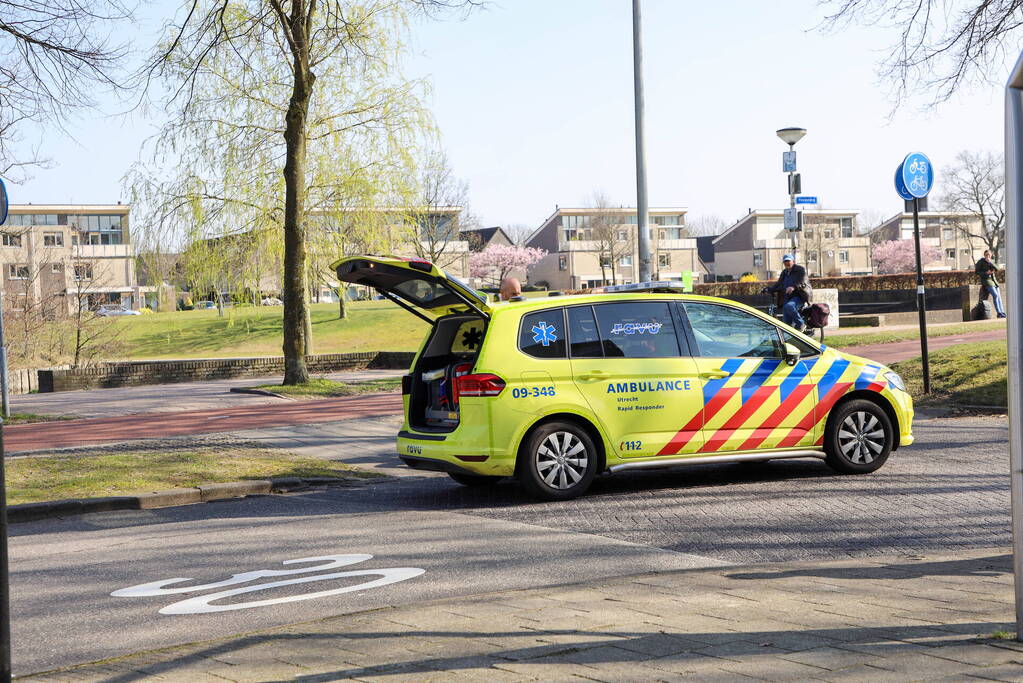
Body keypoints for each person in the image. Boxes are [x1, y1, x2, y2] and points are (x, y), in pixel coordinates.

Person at [763, 254, 812, 331]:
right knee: (786, 324)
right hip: (788, 297)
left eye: (788, 261)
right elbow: (779, 284)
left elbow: (803, 282)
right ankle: (789, 339)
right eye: (785, 261)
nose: (787, 263)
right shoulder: (784, 272)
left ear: (793, 261)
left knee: (789, 306)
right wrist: (768, 289)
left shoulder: (800, 270)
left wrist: (794, 287)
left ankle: (801, 323)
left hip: (800, 296)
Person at [975, 250, 1007, 318]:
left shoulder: (991, 261)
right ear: (984, 255)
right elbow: (977, 272)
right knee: (995, 295)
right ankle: (998, 312)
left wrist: (991, 263)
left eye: (989, 255)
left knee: (999, 296)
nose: (988, 256)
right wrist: (985, 273)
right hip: (987, 281)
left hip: (994, 281)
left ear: (991, 255)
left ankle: (1002, 312)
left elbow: (998, 268)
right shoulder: (981, 262)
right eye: (986, 255)